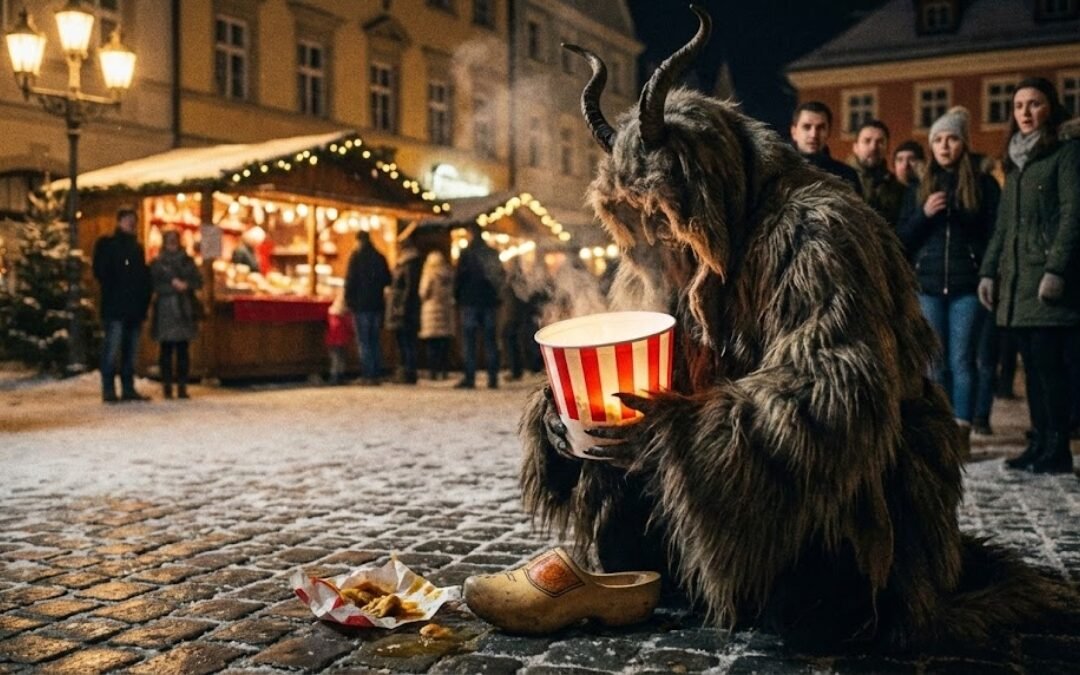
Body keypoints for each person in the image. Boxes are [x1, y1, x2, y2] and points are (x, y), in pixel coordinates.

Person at [528, 11, 1074, 652]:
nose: (655, 235)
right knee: (625, 541)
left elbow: (840, 401)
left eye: (663, 214)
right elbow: (630, 374)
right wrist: (569, 418)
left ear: (704, 190)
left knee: (817, 615)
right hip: (721, 478)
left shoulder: (814, 230)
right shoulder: (654, 253)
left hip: (856, 498)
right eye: (636, 217)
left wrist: (679, 429)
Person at [979, 77, 1079, 474]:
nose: (1024, 112)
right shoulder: (1016, 162)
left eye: (1034, 104)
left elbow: (1074, 213)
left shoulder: (1065, 154)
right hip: (1017, 282)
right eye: (1019, 105)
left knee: (1050, 367)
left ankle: (1057, 447)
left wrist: (1057, 268)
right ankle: (1039, 440)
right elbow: (1004, 227)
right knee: (1032, 369)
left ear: (1050, 108)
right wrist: (989, 271)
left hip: (1046, 280)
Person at [897, 106, 1000, 446]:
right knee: (934, 363)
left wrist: (961, 210)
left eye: (952, 138)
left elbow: (992, 233)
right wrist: (925, 214)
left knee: (962, 359)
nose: (944, 146)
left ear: (964, 144)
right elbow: (902, 239)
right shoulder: (919, 187)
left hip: (967, 287)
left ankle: (962, 430)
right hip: (927, 287)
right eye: (938, 139)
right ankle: (939, 431)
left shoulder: (983, 184)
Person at [93, 207, 153, 403]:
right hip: (116, 306)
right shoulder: (108, 244)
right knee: (113, 347)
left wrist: (144, 298)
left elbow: (142, 277)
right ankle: (109, 389)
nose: (131, 223)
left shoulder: (136, 248)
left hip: (133, 307)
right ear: (119, 222)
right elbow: (101, 272)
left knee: (130, 349)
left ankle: (128, 387)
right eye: (128, 220)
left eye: (133, 220)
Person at [149, 229, 202, 399]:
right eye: (169, 239)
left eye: (174, 239)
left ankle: (182, 386)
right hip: (165, 309)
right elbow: (153, 284)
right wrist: (173, 286)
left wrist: (187, 285)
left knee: (183, 349)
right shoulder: (157, 263)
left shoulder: (188, 261)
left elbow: (198, 281)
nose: (172, 242)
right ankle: (167, 386)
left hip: (183, 308)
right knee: (166, 350)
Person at [453, 222, 502, 389]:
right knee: (490, 341)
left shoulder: (467, 254)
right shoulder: (491, 253)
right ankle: (493, 377)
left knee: (469, 341)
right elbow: (499, 277)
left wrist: (457, 297)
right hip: (488, 301)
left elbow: (459, 277)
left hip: (470, 301)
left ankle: (470, 377)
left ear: (470, 233)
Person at [344, 230, 391, 385]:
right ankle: (376, 372)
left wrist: (349, 301)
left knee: (364, 341)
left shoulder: (356, 258)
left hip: (361, 305)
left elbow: (350, 281)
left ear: (358, 241)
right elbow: (388, 280)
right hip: (377, 305)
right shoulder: (380, 257)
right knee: (375, 340)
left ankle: (367, 374)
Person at [789, 101, 861, 195]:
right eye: (807, 127)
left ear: (828, 132)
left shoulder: (846, 176)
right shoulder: (777, 173)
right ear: (794, 132)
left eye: (821, 127)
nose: (814, 134)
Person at [850, 119, 906, 225]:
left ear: (888, 148)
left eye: (880, 142)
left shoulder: (896, 186)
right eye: (867, 141)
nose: (873, 147)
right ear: (855, 147)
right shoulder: (841, 179)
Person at [386, 239, 422, 384]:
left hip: (405, 309)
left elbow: (409, 288)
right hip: (406, 308)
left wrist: (401, 306)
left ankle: (408, 372)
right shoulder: (410, 264)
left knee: (406, 341)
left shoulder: (408, 265)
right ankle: (406, 371)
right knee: (406, 341)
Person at [419, 250, 455, 380]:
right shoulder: (449, 274)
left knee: (432, 345)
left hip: (431, 311)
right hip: (445, 311)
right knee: (444, 344)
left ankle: (433, 371)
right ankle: (444, 370)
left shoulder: (429, 274)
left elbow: (423, 292)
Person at [325, 290, 353, 385]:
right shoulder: (347, 315)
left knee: (335, 359)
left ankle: (334, 376)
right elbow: (350, 327)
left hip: (333, 340)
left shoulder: (332, 314)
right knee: (341, 358)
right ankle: (340, 375)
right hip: (343, 340)